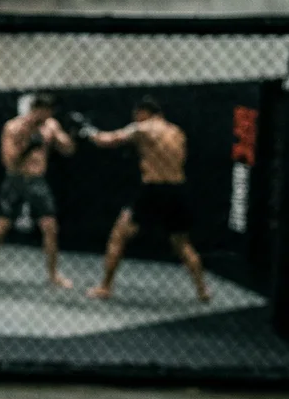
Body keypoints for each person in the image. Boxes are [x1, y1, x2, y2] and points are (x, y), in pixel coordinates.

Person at [81, 96, 211, 302]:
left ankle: (105, 287)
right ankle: (203, 291)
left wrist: (88, 132)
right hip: (177, 189)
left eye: (137, 115)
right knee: (182, 243)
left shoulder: (143, 128)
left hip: (153, 190)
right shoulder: (177, 132)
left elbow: (107, 140)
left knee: (118, 235)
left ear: (143, 112)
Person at [0, 93, 76, 288]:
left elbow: (68, 150)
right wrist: (29, 146)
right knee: (0, 229)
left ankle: (53, 275)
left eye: (49, 113)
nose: (46, 117)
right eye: (44, 112)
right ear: (35, 110)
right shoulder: (14, 127)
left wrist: (70, 135)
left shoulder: (50, 125)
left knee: (50, 227)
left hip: (37, 182)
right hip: (16, 180)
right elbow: (8, 161)